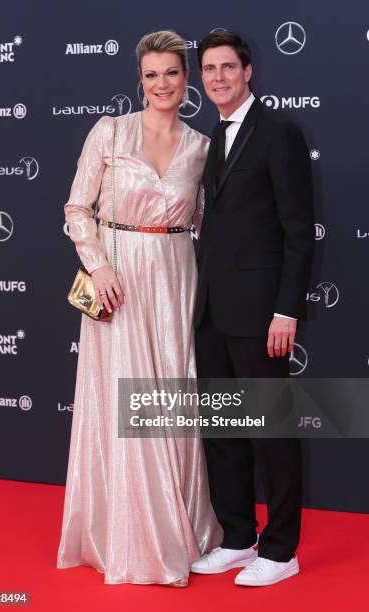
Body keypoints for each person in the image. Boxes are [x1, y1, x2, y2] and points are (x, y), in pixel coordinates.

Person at [57, 30, 222, 586]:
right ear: (140, 80)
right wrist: (98, 265)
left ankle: (181, 527)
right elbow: (78, 206)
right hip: (117, 280)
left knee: (171, 393)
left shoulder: (202, 147)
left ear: (186, 77)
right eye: (151, 75)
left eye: (171, 73)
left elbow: (209, 223)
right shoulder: (109, 131)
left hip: (175, 278)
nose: (161, 84)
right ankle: (131, 536)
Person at [191, 31, 314, 586]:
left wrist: (286, 311)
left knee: (272, 433)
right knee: (223, 430)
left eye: (227, 68)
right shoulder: (212, 138)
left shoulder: (280, 133)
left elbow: (297, 231)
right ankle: (238, 537)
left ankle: (282, 549)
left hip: (263, 315)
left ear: (248, 72)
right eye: (209, 69)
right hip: (213, 310)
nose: (217, 77)